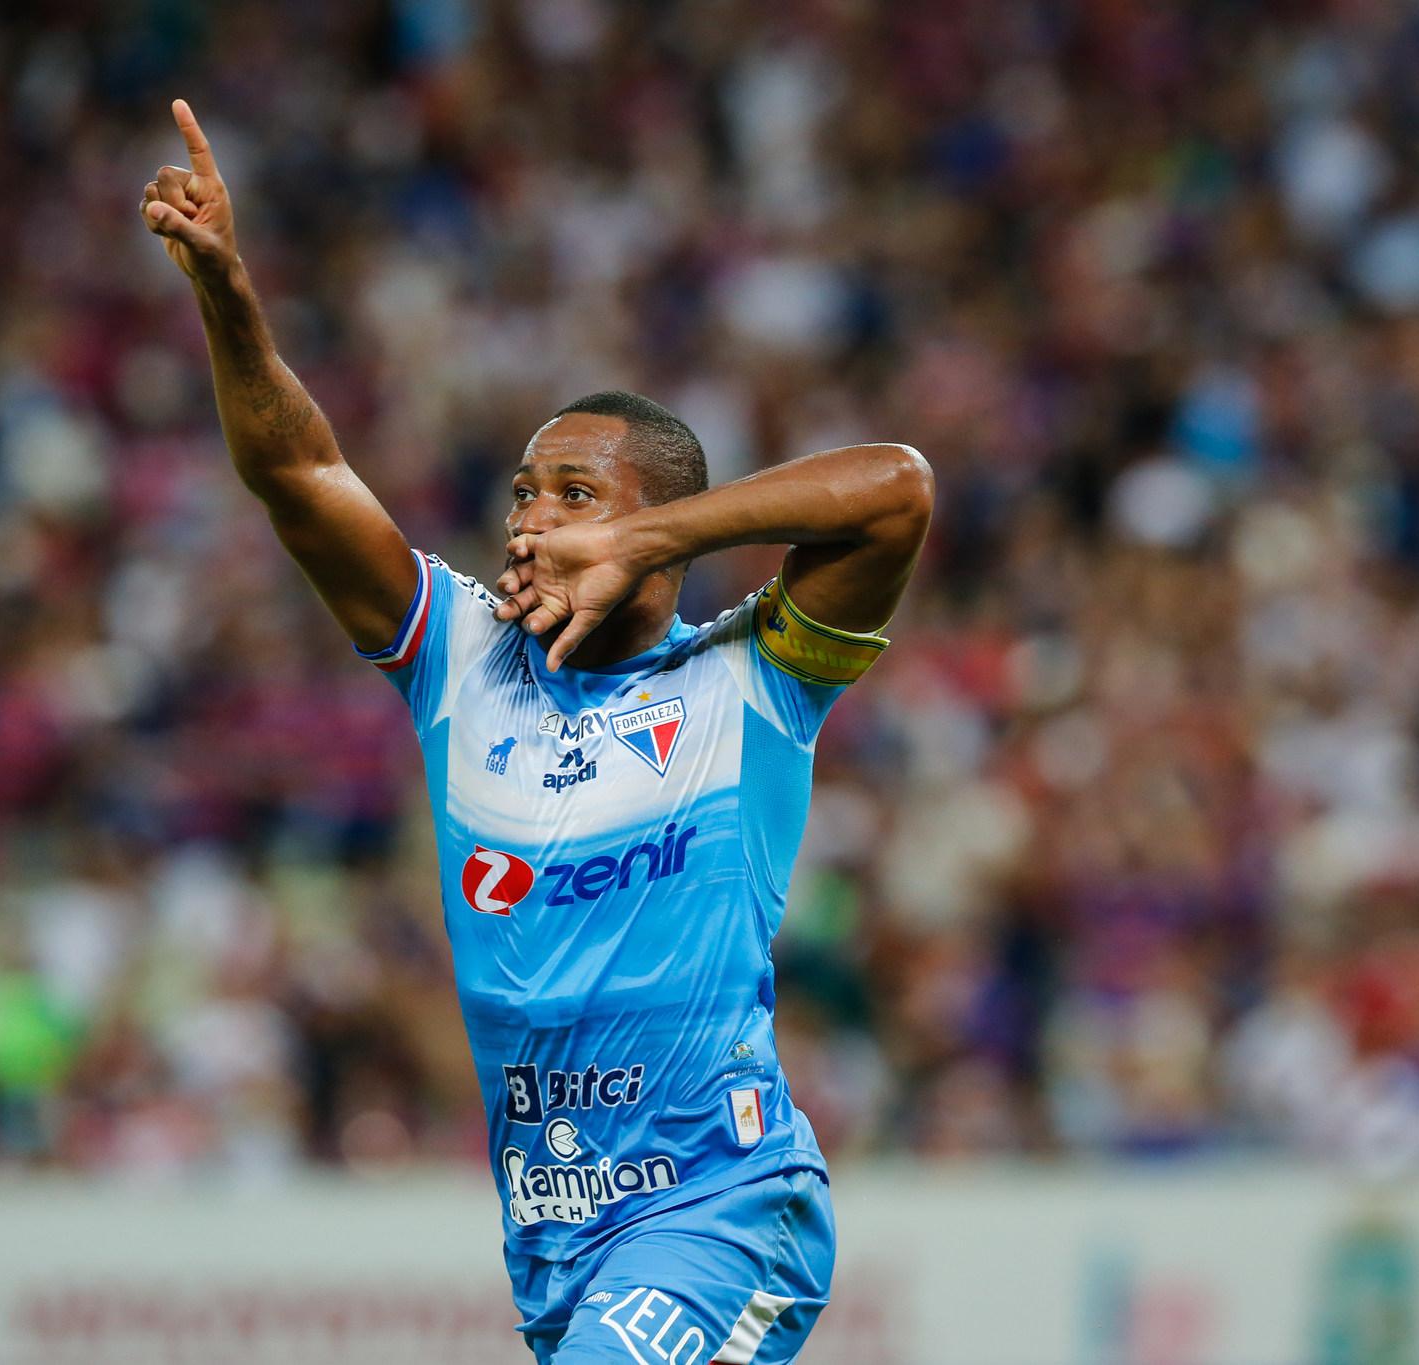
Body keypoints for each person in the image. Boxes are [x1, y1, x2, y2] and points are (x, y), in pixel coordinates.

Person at [139, 100, 932, 1363]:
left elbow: (896, 491)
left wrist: (643, 538)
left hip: (723, 1213)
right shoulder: (460, 660)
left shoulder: (749, 681)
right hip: (560, 1239)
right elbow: (297, 477)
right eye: (522, 495)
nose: (531, 521)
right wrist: (228, 294)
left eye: (574, 495)